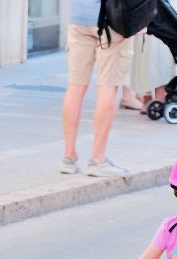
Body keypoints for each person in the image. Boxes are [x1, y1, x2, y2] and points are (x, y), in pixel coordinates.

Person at [60, 0, 134, 177]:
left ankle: (68, 157)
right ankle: (97, 159)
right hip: (113, 18)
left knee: (75, 86)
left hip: (78, 17)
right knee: (108, 87)